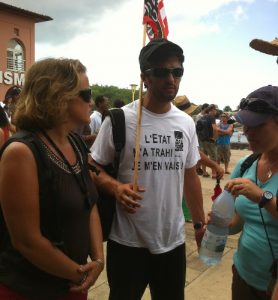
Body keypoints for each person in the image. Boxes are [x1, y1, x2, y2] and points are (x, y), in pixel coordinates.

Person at [90, 38, 206, 300]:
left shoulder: (186, 123)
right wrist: (115, 187)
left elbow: (190, 176)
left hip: (172, 242)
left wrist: (199, 223)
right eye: (162, 72)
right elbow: (91, 166)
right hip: (127, 242)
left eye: (177, 72)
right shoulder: (120, 119)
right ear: (145, 77)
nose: (171, 79)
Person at [0, 58, 104, 300]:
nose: (91, 101)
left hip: (73, 285)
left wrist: (98, 260)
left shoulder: (75, 143)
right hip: (28, 290)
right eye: (86, 93)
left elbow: (89, 202)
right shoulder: (22, 152)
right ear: (59, 96)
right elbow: (27, 240)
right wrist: (81, 274)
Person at [225, 85, 278, 300]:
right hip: (243, 275)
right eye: (245, 124)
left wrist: (261, 196)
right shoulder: (247, 164)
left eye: (258, 125)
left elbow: (261, 199)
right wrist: (220, 225)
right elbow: (238, 222)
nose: (247, 132)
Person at [196, 104, 219, 178]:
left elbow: (198, 129)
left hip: (202, 140)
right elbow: (215, 129)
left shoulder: (202, 117)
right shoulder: (211, 117)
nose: (216, 111)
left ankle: (205, 172)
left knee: (204, 157)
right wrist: (214, 138)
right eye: (215, 110)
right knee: (213, 157)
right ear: (212, 110)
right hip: (210, 140)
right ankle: (214, 174)